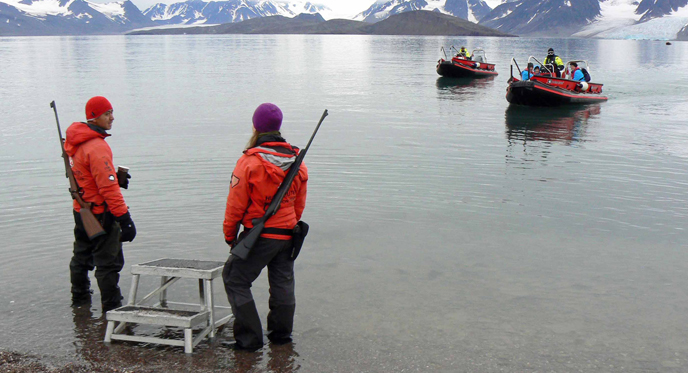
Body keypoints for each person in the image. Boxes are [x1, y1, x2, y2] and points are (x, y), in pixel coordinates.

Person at [222, 103, 308, 350]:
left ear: (256, 127)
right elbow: (298, 205)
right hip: (288, 234)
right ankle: (281, 338)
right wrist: (288, 224)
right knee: (282, 284)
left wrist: (231, 235)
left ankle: (250, 340)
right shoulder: (297, 162)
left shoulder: (249, 162)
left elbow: (235, 206)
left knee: (234, 278)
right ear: (278, 127)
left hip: (260, 236)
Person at [64, 96, 136, 312]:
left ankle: (80, 302)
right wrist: (125, 220)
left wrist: (113, 175)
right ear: (94, 117)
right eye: (107, 113)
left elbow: (87, 177)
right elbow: (108, 189)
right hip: (101, 214)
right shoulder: (96, 146)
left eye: (112, 112)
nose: (112, 117)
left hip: (82, 210)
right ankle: (112, 311)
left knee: (81, 257)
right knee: (108, 263)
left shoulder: (75, 143)